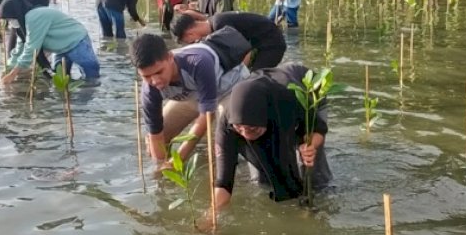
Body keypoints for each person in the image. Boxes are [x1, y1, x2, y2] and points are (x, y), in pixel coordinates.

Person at [213, 63, 333, 210]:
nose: (246, 135)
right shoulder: (227, 121)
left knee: (311, 169)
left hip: (306, 92)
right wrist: (212, 214)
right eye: (240, 129)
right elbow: (223, 181)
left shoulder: (289, 99)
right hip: (266, 109)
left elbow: (319, 128)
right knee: (260, 179)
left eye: (252, 129)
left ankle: (318, 199)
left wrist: (311, 147)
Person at [131, 33, 249, 168]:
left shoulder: (198, 62)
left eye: (159, 72)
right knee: (156, 142)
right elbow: (156, 135)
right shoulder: (149, 90)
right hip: (193, 96)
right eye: (146, 76)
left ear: (170, 57)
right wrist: (162, 168)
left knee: (222, 144)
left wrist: (179, 159)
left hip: (230, 89)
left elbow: (207, 116)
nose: (155, 81)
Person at [0, 0, 100, 86]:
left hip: (77, 42)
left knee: (91, 79)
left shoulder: (33, 17)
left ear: (17, 13)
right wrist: (7, 69)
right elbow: (20, 48)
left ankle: (88, 105)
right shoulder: (23, 25)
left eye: (10, 19)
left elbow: (32, 49)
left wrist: (12, 75)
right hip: (60, 49)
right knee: (60, 80)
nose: (10, 23)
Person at [171, 11, 286, 70]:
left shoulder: (220, 25)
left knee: (255, 80)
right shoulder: (215, 22)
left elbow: (245, 51)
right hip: (262, 44)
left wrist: (240, 76)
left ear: (189, 34)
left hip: (272, 45)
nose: (191, 43)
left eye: (186, 41)